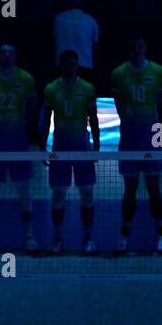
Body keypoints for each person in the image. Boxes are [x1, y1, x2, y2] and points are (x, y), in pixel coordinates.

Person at [109, 35, 162, 253]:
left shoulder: (158, 72)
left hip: (152, 137)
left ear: (145, 47)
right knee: (129, 188)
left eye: (140, 45)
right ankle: (124, 238)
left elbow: (160, 107)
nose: (136, 49)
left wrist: (158, 139)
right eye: (133, 45)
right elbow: (119, 106)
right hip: (129, 139)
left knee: (154, 187)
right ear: (129, 48)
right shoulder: (118, 74)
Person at [0, 44, 39, 253]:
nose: (6, 54)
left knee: (24, 191)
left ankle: (30, 236)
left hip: (19, 145)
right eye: (2, 51)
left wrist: (21, 128)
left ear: (15, 55)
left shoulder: (26, 79)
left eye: (10, 51)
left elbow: (31, 108)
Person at [41, 50, 99, 254]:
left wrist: (97, 146)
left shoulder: (87, 88)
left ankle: (88, 236)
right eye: (67, 64)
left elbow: (93, 118)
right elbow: (45, 118)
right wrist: (42, 146)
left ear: (77, 65)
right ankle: (58, 237)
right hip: (59, 150)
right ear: (62, 65)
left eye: (73, 64)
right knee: (58, 194)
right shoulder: (51, 89)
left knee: (87, 194)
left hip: (82, 148)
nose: (70, 67)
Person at [51, 0, 99, 83]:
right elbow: (95, 45)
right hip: (85, 64)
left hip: (62, 64)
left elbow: (53, 41)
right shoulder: (91, 20)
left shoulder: (58, 18)